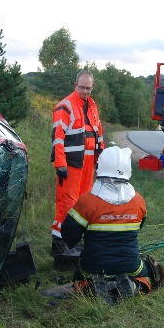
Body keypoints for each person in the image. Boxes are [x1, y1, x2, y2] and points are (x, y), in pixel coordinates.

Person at [61, 146, 164, 302]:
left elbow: (68, 236)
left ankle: (92, 287)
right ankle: (134, 285)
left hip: (93, 266)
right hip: (130, 265)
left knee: (82, 275)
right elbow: (138, 228)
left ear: (100, 168)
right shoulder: (138, 201)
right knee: (147, 267)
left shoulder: (87, 201)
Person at [51, 70, 105, 258]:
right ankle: (59, 242)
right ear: (75, 85)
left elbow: (99, 133)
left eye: (88, 88)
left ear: (93, 87)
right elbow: (57, 137)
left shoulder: (92, 105)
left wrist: (101, 159)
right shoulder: (65, 106)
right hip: (71, 164)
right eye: (81, 87)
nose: (85, 91)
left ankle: (74, 240)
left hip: (88, 164)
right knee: (67, 202)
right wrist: (60, 163)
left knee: (83, 203)